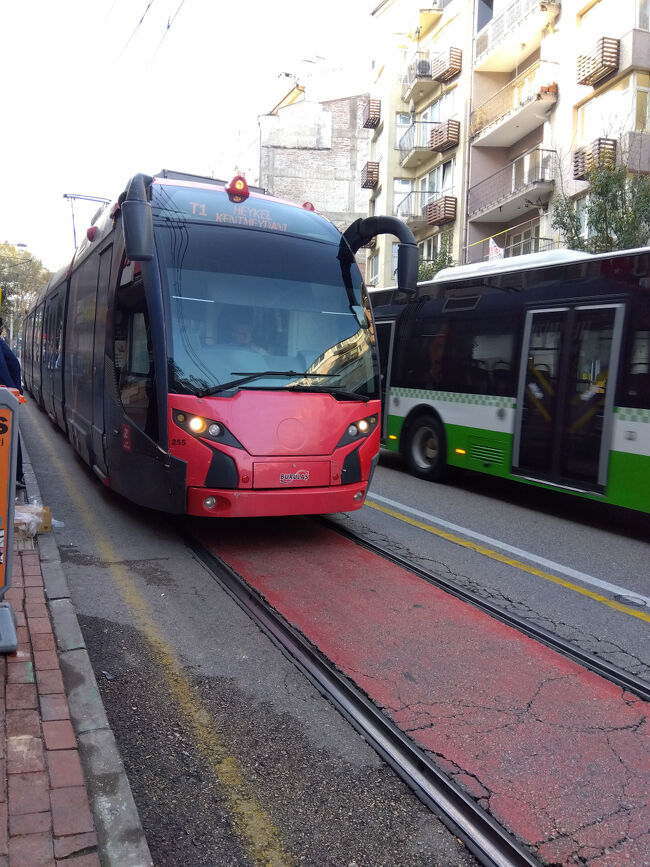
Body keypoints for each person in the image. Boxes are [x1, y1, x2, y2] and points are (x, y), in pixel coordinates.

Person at [0, 317, 25, 488]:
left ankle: (14, 474)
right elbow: (14, 365)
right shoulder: (1, 345)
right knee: (9, 433)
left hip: (4, 397)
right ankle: (15, 474)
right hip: (6, 398)